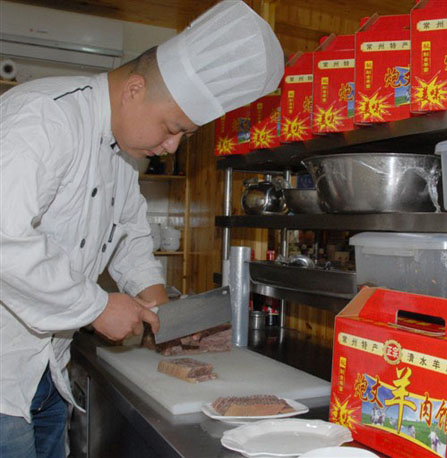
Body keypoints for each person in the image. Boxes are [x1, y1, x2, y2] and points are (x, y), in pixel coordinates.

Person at [0, 1, 283, 456]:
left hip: (45, 372)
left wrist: (163, 314)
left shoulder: (122, 153)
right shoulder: (43, 118)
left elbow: (129, 237)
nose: (171, 146)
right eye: (171, 128)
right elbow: (5, 238)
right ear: (134, 89)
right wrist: (95, 307)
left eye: (184, 136)